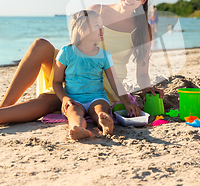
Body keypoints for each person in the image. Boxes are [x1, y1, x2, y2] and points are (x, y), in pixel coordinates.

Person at [0, 0, 162, 131]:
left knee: (50, 100)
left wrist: (148, 89)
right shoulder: (97, 10)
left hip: (103, 83)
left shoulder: (143, 29)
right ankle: (2, 108)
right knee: (40, 45)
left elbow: (142, 72)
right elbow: (75, 44)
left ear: (143, 0)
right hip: (78, 68)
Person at [53, 10, 138, 140]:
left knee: (100, 110)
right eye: (97, 25)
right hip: (74, 99)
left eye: (102, 25)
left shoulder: (104, 55)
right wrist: (64, 98)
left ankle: (105, 124)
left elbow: (114, 81)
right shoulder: (66, 52)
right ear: (82, 30)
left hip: (97, 97)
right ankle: (79, 129)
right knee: (73, 113)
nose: (102, 28)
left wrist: (126, 102)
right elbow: (56, 82)